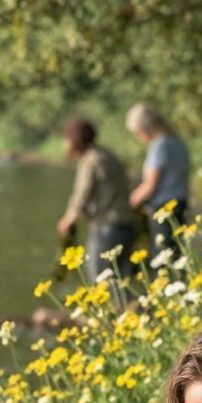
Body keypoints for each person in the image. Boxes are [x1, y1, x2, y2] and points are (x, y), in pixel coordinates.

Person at [56, 118, 140, 285]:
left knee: (99, 278)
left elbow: (82, 193)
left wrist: (68, 219)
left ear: (75, 140)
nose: (64, 145)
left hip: (107, 227)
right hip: (127, 224)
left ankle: (109, 310)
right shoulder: (107, 154)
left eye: (66, 140)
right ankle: (124, 308)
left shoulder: (90, 160)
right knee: (120, 278)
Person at [126, 102, 192, 233]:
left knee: (163, 249)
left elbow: (150, 185)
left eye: (137, 133)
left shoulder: (159, 146)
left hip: (164, 208)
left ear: (145, 128)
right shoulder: (177, 141)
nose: (138, 137)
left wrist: (131, 201)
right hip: (181, 202)